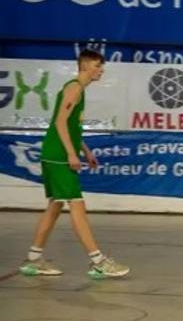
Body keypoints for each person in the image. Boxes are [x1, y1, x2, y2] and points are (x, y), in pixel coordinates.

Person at [18, 49, 129, 280]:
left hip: (56, 154)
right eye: (98, 65)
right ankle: (98, 261)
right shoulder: (74, 88)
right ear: (86, 65)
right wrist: (71, 154)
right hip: (58, 155)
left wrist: (85, 150)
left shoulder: (80, 90)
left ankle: (33, 258)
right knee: (77, 204)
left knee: (55, 207)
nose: (101, 70)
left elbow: (71, 127)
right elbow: (59, 122)